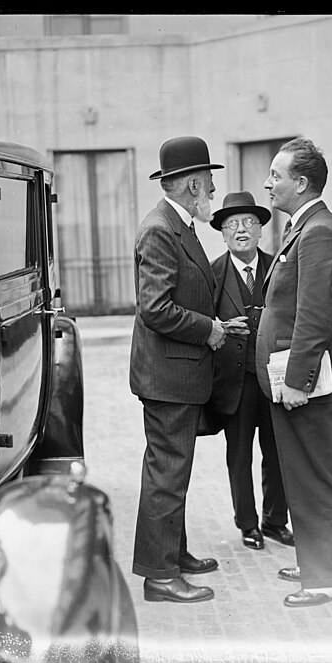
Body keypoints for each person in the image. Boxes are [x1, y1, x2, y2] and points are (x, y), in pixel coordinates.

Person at [129, 136, 247, 604]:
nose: (215, 193)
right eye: (211, 184)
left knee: (172, 472)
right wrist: (211, 330)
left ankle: (172, 555)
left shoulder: (178, 224)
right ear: (193, 184)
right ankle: (160, 577)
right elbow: (155, 308)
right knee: (166, 474)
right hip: (169, 377)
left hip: (176, 375)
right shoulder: (160, 229)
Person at [255, 139, 332, 607]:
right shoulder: (304, 227)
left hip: (307, 384)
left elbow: (315, 316)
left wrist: (297, 381)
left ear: (302, 183)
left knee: (314, 476)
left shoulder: (319, 233)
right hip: (297, 380)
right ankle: (316, 559)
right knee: (301, 474)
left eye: (276, 175)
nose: (268, 183)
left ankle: (328, 577)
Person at [206, 191, 293, 551]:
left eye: (249, 223)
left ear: (260, 231)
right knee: (239, 454)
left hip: (272, 380)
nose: (241, 230)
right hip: (234, 382)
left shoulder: (280, 267)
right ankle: (248, 524)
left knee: (277, 453)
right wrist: (220, 326)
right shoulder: (212, 274)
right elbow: (201, 321)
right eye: (232, 224)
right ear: (223, 234)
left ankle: (275, 521)